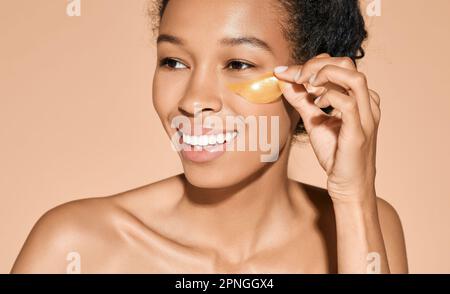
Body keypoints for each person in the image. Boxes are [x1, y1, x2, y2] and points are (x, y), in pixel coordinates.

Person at [11, 0, 408, 273]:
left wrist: (355, 199)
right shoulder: (75, 246)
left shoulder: (367, 225)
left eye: (238, 63)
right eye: (174, 62)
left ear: (310, 81)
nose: (194, 100)